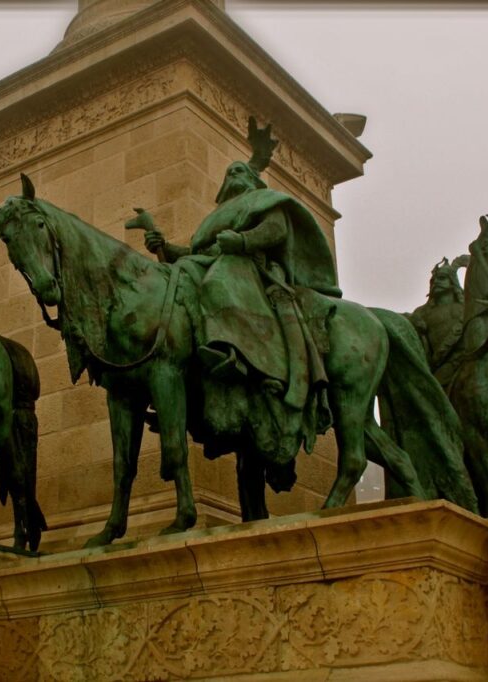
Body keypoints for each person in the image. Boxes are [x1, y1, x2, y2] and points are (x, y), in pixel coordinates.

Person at [142, 118, 340, 467]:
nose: (232, 174)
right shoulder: (216, 218)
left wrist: (243, 241)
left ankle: (230, 353)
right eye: (229, 171)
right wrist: (164, 246)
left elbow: (276, 230)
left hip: (254, 268)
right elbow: (196, 254)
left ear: (250, 180)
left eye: (239, 170)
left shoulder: (263, 200)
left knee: (219, 282)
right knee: (181, 278)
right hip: (217, 263)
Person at [408, 255, 468, 389]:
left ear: (452, 281)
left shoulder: (464, 307)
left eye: (441, 278)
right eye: (433, 280)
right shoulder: (421, 312)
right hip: (433, 365)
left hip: (459, 360)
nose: (436, 282)